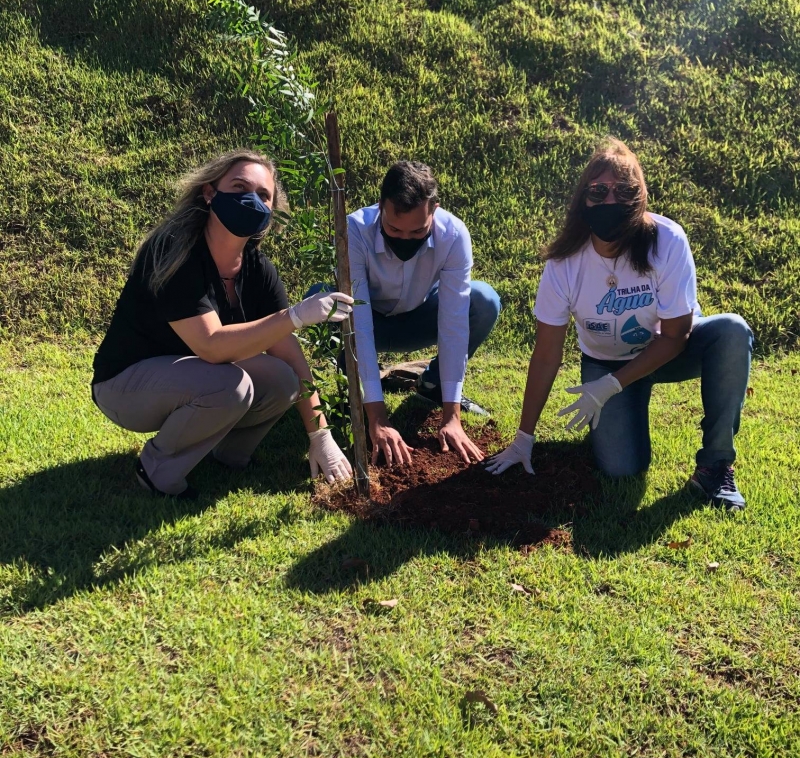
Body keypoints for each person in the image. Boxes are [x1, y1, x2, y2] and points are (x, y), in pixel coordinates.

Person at [486, 139, 753, 511]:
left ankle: (714, 465)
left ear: (640, 196)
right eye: (598, 191)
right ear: (584, 199)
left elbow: (676, 335)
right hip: (605, 363)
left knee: (731, 331)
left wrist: (613, 386)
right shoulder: (564, 264)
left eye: (623, 191)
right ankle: (611, 419)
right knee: (622, 468)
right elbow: (547, 355)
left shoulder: (667, 241)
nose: (610, 201)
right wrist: (523, 437)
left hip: (667, 349)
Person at [92, 150, 355, 499]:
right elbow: (212, 345)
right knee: (232, 385)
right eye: (240, 186)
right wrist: (294, 316)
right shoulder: (174, 251)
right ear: (210, 192)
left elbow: (291, 358)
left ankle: (228, 454)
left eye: (263, 195)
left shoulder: (258, 270)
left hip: (193, 379)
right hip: (126, 386)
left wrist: (320, 436)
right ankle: (156, 471)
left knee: (283, 378)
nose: (252, 199)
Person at [347, 160, 501, 467]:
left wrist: (451, 417)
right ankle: (354, 386)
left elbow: (454, 322)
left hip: (418, 318)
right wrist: (377, 419)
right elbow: (359, 324)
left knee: (483, 300)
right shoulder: (355, 230)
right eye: (393, 229)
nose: (404, 239)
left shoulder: (454, 234)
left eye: (418, 231)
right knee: (325, 303)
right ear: (381, 207)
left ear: (434, 209)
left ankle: (433, 385)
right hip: (369, 322)